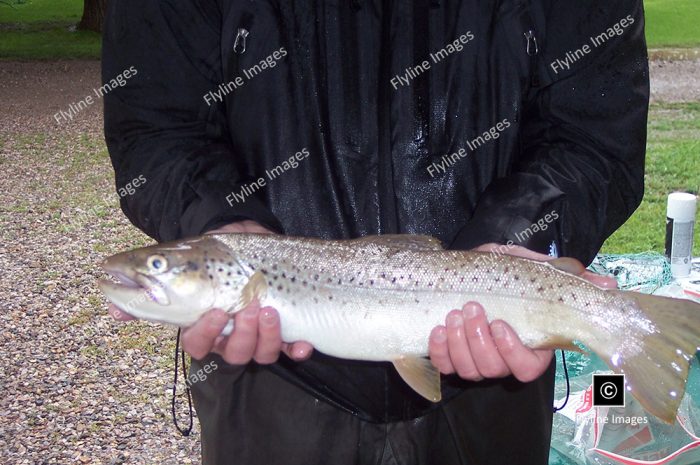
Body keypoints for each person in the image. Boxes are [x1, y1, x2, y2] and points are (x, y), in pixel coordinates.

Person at [102, 0, 648, 463]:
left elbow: (594, 133)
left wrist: (525, 235)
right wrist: (212, 218)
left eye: (158, 265)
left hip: (494, 388)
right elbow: (155, 121)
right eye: (161, 264)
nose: (149, 268)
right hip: (268, 397)